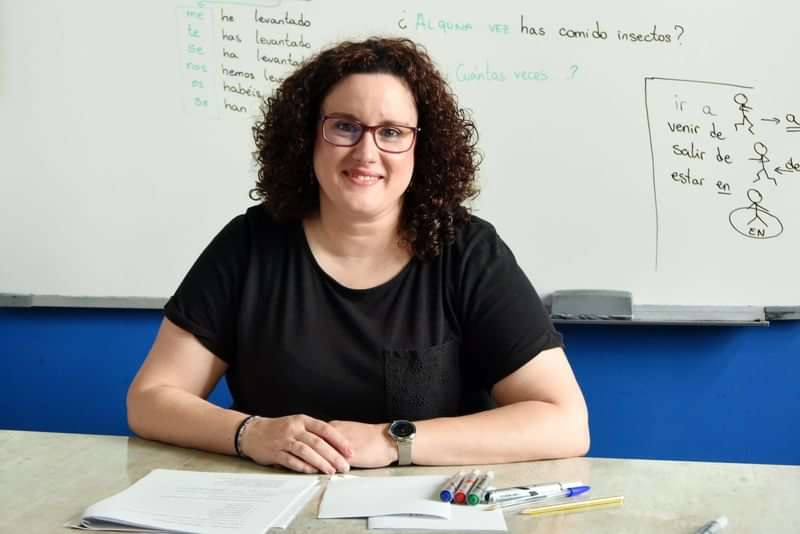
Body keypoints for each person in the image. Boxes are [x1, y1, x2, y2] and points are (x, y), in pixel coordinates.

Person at [127, 37, 589, 475]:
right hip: (272, 508)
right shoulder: (249, 244)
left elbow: (564, 421)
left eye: (391, 132)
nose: (366, 152)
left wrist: (393, 442)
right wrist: (250, 433)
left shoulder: (468, 252)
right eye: (345, 126)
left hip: (429, 511)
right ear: (309, 137)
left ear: (420, 149)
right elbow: (150, 398)